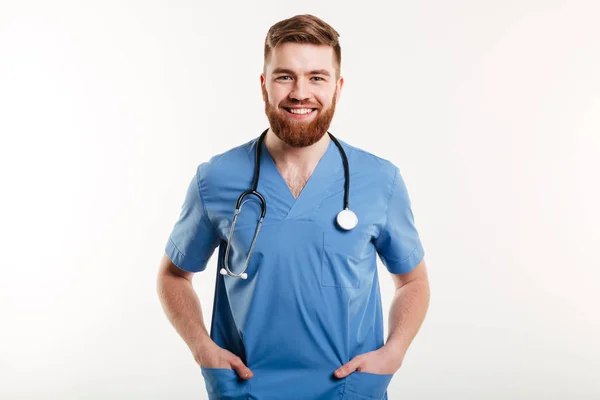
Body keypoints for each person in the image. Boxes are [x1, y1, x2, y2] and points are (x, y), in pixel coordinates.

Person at [157, 14, 430, 400]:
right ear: (264, 84)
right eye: (285, 76)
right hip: (245, 389)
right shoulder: (215, 178)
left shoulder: (380, 180)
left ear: (338, 87)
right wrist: (202, 347)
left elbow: (413, 281)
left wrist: (394, 352)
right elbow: (173, 276)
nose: (300, 92)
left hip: (348, 390)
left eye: (316, 77)